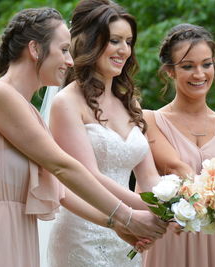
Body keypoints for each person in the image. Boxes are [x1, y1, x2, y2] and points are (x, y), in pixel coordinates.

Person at [0, 7, 166, 267]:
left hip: (17, 231)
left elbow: (60, 192)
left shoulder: (29, 112)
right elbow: (64, 166)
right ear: (36, 49)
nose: (71, 61)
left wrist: (115, 224)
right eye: (63, 50)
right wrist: (129, 216)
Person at [44, 1, 165, 266]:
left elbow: (149, 176)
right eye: (115, 41)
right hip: (84, 231)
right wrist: (153, 210)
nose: (124, 50)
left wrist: (177, 200)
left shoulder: (130, 104)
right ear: (90, 43)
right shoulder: (67, 103)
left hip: (128, 236)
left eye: (129, 42)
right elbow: (90, 175)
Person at [141, 23, 215, 267]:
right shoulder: (150, 120)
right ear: (170, 70)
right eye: (188, 66)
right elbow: (174, 168)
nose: (199, 74)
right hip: (173, 241)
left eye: (207, 64)